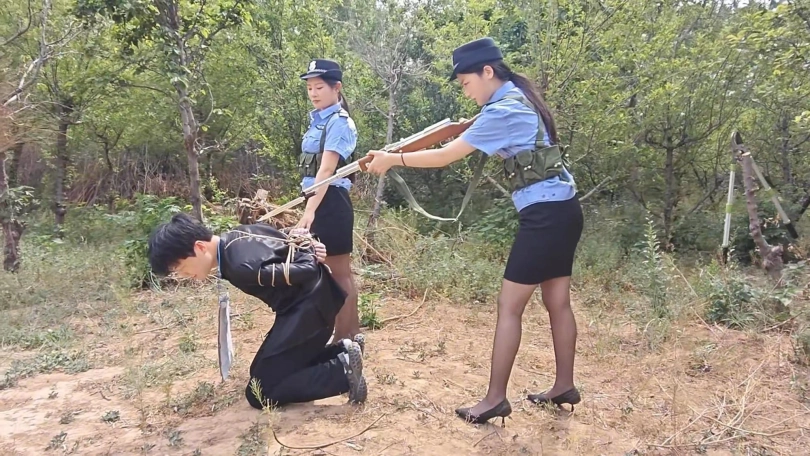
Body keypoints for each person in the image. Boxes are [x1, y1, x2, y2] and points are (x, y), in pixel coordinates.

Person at [363, 37, 584, 425]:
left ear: (487, 71)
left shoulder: (502, 111)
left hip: (545, 217)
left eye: (466, 83)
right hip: (564, 209)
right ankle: (563, 385)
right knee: (557, 302)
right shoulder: (518, 99)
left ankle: (495, 399)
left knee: (509, 306)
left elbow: (445, 156)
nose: (466, 92)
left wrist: (393, 159)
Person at [146, 213, 368, 409]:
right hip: (310, 305)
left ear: (199, 247)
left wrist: (311, 250)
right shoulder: (238, 234)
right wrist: (310, 243)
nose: (184, 275)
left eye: (182, 268)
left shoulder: (240, 266)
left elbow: (307, 269)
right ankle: (341, 352)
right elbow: (283, 238)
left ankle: (341, 372)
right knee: (259, 372)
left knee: (260, 393)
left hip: (310, 311)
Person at [296, 58, 360, 343]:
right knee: (330, 272)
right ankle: (350, 335)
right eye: (310, 87)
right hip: (317, 198)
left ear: (337, 88)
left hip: (330, 201)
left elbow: (326, 171)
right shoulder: (318, 121)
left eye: (319, 87)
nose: (313, 93)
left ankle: (344, 339)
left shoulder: (339, 123)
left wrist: (309, 211)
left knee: (338, 273)